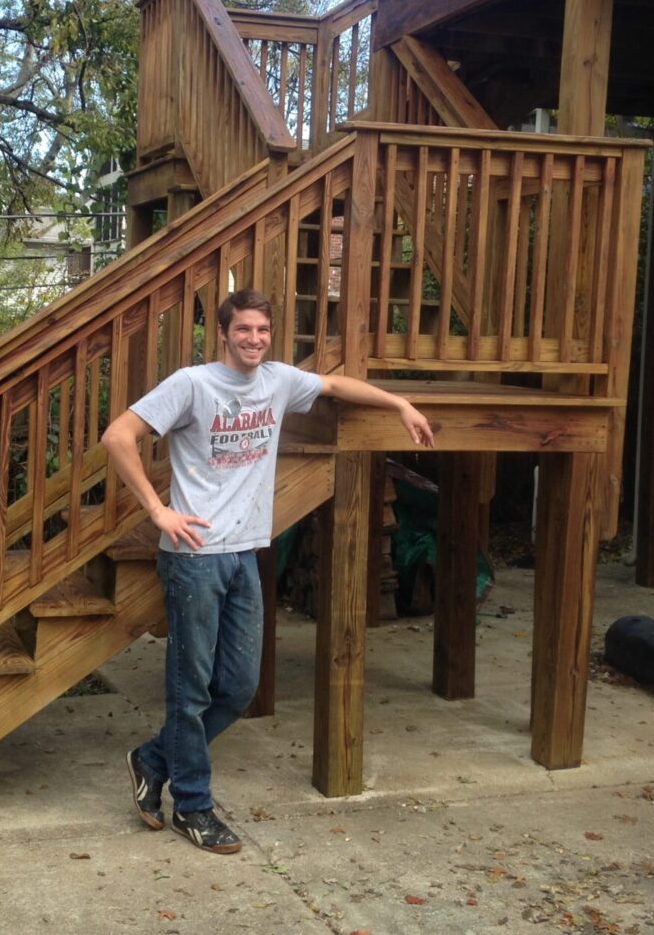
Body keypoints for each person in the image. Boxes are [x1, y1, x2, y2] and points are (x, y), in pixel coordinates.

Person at [102, 289, 435, 854]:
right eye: (244, 330)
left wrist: (399, 403)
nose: (254, 339)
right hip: (193, 558)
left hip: (246, 553)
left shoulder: (278, 381)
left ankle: (153, 758)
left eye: (262, 330)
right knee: (191, 691)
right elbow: (118, 436)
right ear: (224, 334)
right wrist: (157, 510)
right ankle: (193, 806)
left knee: (237, 687)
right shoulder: (192, 384)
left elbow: (334, 385)